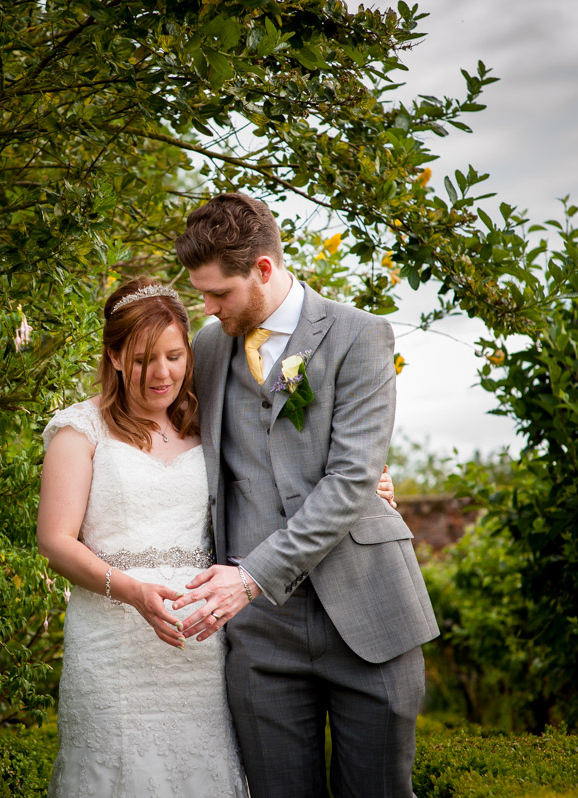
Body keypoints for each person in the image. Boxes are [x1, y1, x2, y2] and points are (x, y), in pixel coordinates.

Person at [37, 276, 397, 797]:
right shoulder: (79, 431)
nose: (160, 374)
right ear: (114, 357)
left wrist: (370, 480)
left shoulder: (207, 421)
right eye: (141, 361)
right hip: (113, 640)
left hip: (201, 645)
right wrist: (133, 591)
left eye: (173, 356)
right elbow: (55, 542)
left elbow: (283, 469)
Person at [168, 193, 440, 798]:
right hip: (260, 632)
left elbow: (350, 480)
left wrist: (252, 575)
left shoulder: (360, 336)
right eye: (202, 294)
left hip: (368, 610)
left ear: (263, 270)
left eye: (219, 294)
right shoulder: (209, 349)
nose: (207, 309)